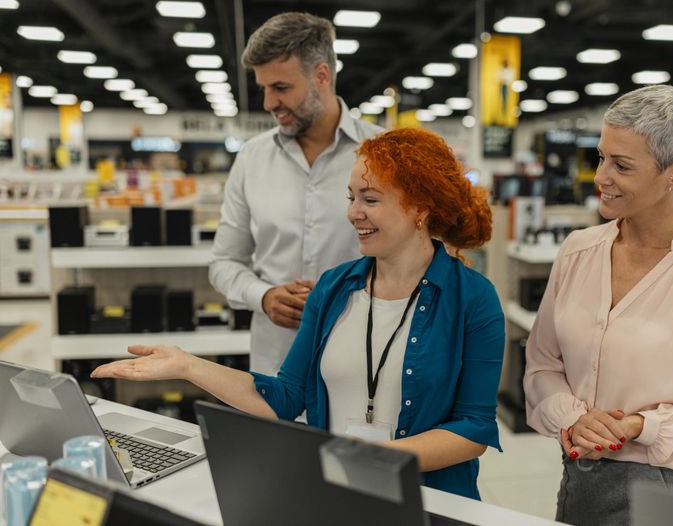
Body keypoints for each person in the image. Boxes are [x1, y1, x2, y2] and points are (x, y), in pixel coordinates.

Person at [93, 128, 505, 500]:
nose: (353, 213)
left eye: (370, 199)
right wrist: (188, 366)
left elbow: (473, 428)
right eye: (351, 197)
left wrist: (377, 458)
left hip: (431, 501)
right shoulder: (334, 287)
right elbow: (287, 396)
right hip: (335, 495)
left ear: (421, 208)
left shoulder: (473, 298)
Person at [523, 85, 673, 526]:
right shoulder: (578, 251)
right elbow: (543, 364)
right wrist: (574, 419)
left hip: (667, 494)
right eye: (601, 157)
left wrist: (642, 426)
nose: (601, 177)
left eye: (621, 165)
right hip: (579, 482)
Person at [209, 12, 383, 374]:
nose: (268, 103)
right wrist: (264, 296)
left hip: (366, 363)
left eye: (280, 88)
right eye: (264, 88)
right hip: (276, 364)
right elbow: (224, 263)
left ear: (322, 75)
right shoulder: (252, 159)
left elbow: (418, 261)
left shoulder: (385, 153)